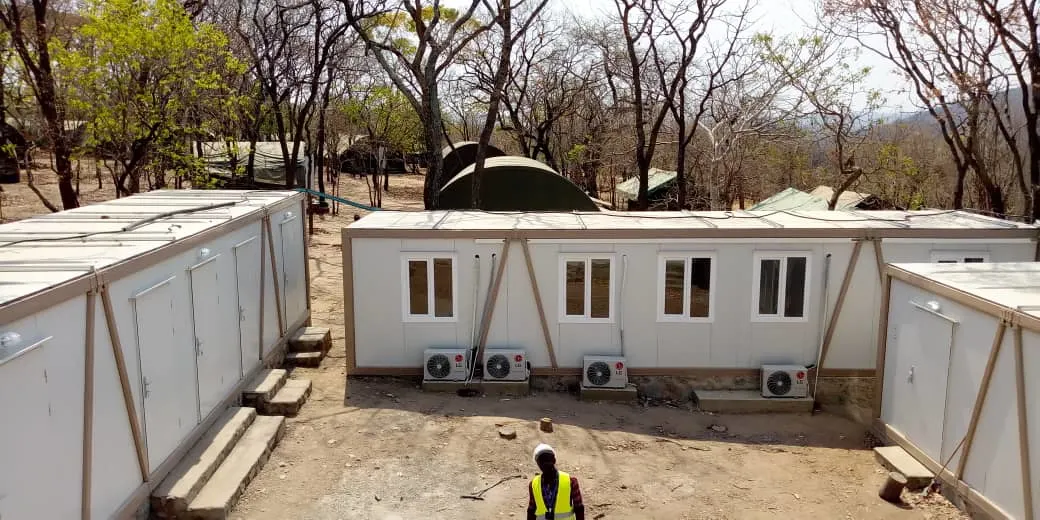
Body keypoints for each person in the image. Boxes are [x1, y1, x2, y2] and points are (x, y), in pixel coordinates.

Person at [527, 444, 584, 520]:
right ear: (538, 464)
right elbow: (531, 511)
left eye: (547, 459)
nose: (545, 463)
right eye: (542, 461)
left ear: (554, 460)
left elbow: (579, 508)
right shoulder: (533, 484)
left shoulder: (571, 481)